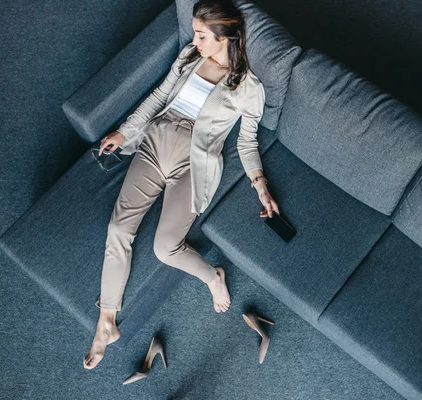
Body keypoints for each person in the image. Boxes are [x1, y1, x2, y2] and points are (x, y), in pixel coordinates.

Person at [83, 0, 280, 370]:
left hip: (194, 159)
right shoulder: (190, 56)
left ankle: (212, 276)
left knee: (165, 248)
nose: (195, 39)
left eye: (202, 34)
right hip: (156, 141)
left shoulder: (247, 88)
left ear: (225, 37)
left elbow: (246, 141)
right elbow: (160, 96)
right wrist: (125, 130)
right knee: (118, 228)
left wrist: (260, 185)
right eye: (195, 31)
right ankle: (106, 321)